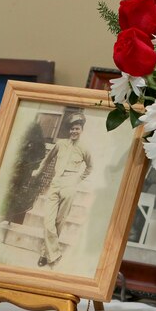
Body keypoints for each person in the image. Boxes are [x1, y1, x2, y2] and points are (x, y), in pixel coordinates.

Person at [31, 113, 92, 267]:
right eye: (72, 129)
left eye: (77, 128)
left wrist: (77, 180)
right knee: (48, 221)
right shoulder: (60, 144)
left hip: (70, 185)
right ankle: (55, 253)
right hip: (56, 183)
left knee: (59, 221)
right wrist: (38, 171)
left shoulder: (84, 148)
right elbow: (47, 159)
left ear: (81, 129)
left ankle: (45, 255)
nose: (74, 132)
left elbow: (90, 167)